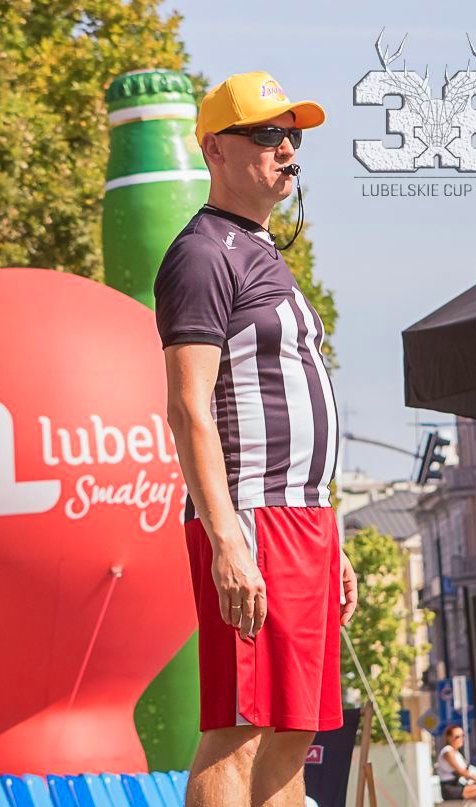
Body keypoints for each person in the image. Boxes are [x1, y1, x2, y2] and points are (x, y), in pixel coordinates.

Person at [156, 71, 359, 807]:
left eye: (293, 135)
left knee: (293, 730)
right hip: (252, 512)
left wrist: (330, 535)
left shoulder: (259, 250)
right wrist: (228, 541)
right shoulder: (202, 253)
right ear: (214, 148)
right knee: (240, 727)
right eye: (268, 134)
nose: (288, 150)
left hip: (302, 517)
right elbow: (187, 407)